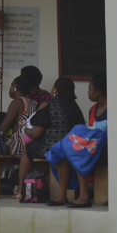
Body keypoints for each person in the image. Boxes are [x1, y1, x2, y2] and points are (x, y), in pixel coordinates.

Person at [44, 77, 106, 207]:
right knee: (63, 154)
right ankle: (62, 196)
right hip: (90, 145)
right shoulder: (93, 109)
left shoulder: (112, 108)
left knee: (77, 152)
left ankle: (84, 197)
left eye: (90, 89)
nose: (88, 92)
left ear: (98, 92)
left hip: (104, 148)